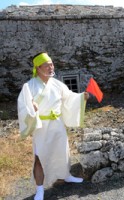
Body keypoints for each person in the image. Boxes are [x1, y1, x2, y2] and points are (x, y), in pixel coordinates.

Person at [17, 52, 89, 200]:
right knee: (40, 158)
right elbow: (24, 104)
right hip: (41, 127)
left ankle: (66, 176)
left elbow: (69, 98)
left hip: (57, 124)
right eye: (47, 65)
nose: (51, 67)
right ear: (38, 68)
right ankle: (39, 189)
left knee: (62, 152)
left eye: (52, 64)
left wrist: (82, 97)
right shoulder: (28, 86)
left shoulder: (57, 84)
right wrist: (32, 107)